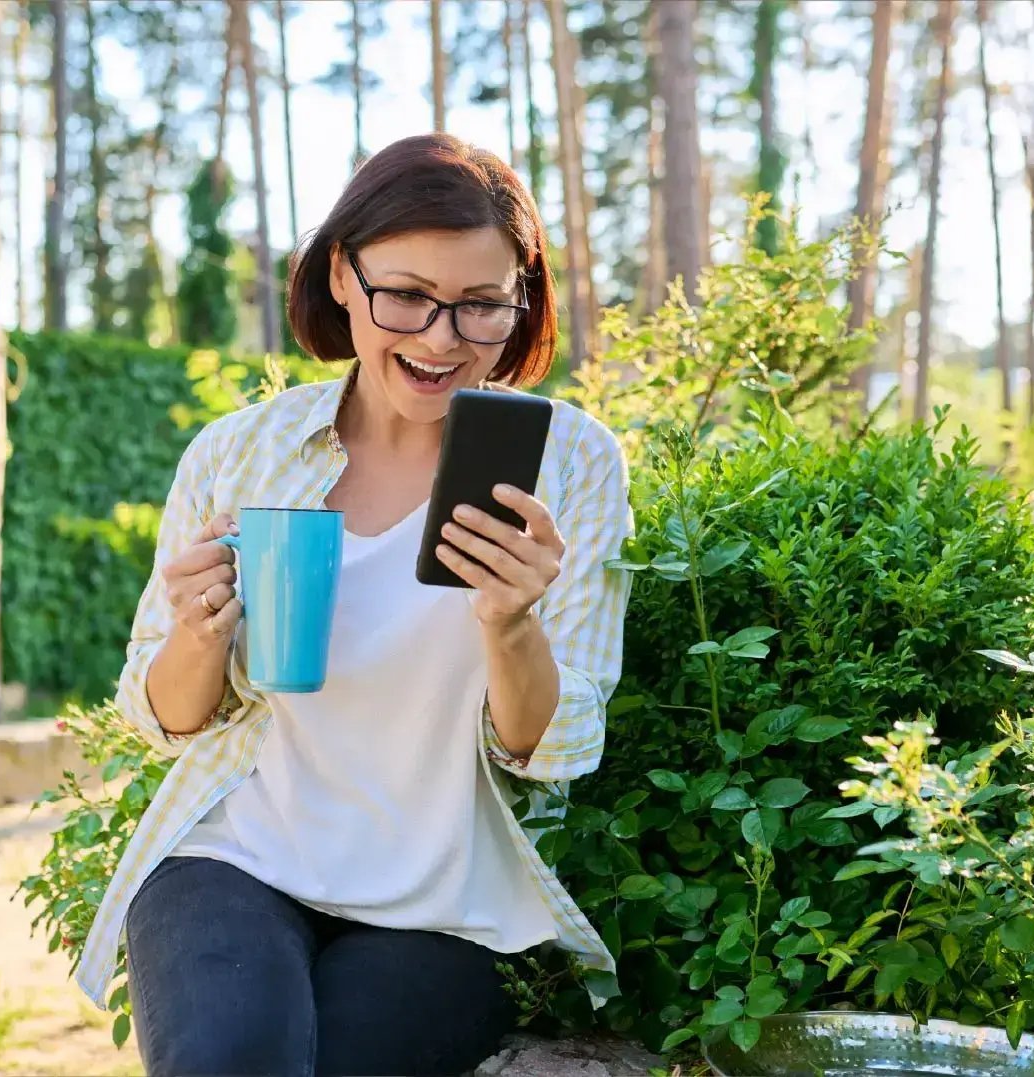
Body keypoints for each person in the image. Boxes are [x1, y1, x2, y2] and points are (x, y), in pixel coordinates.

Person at [74, 132, 633, 1077]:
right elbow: (161, 716)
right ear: (341, 274)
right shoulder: (240, 451)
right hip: (234, 857)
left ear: (519, 300)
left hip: (442, 901)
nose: (440, 339)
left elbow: (559, 749)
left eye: (480, 305)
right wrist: (199, 633)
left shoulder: (571, 463)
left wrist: (510, 622)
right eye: (406, 295)